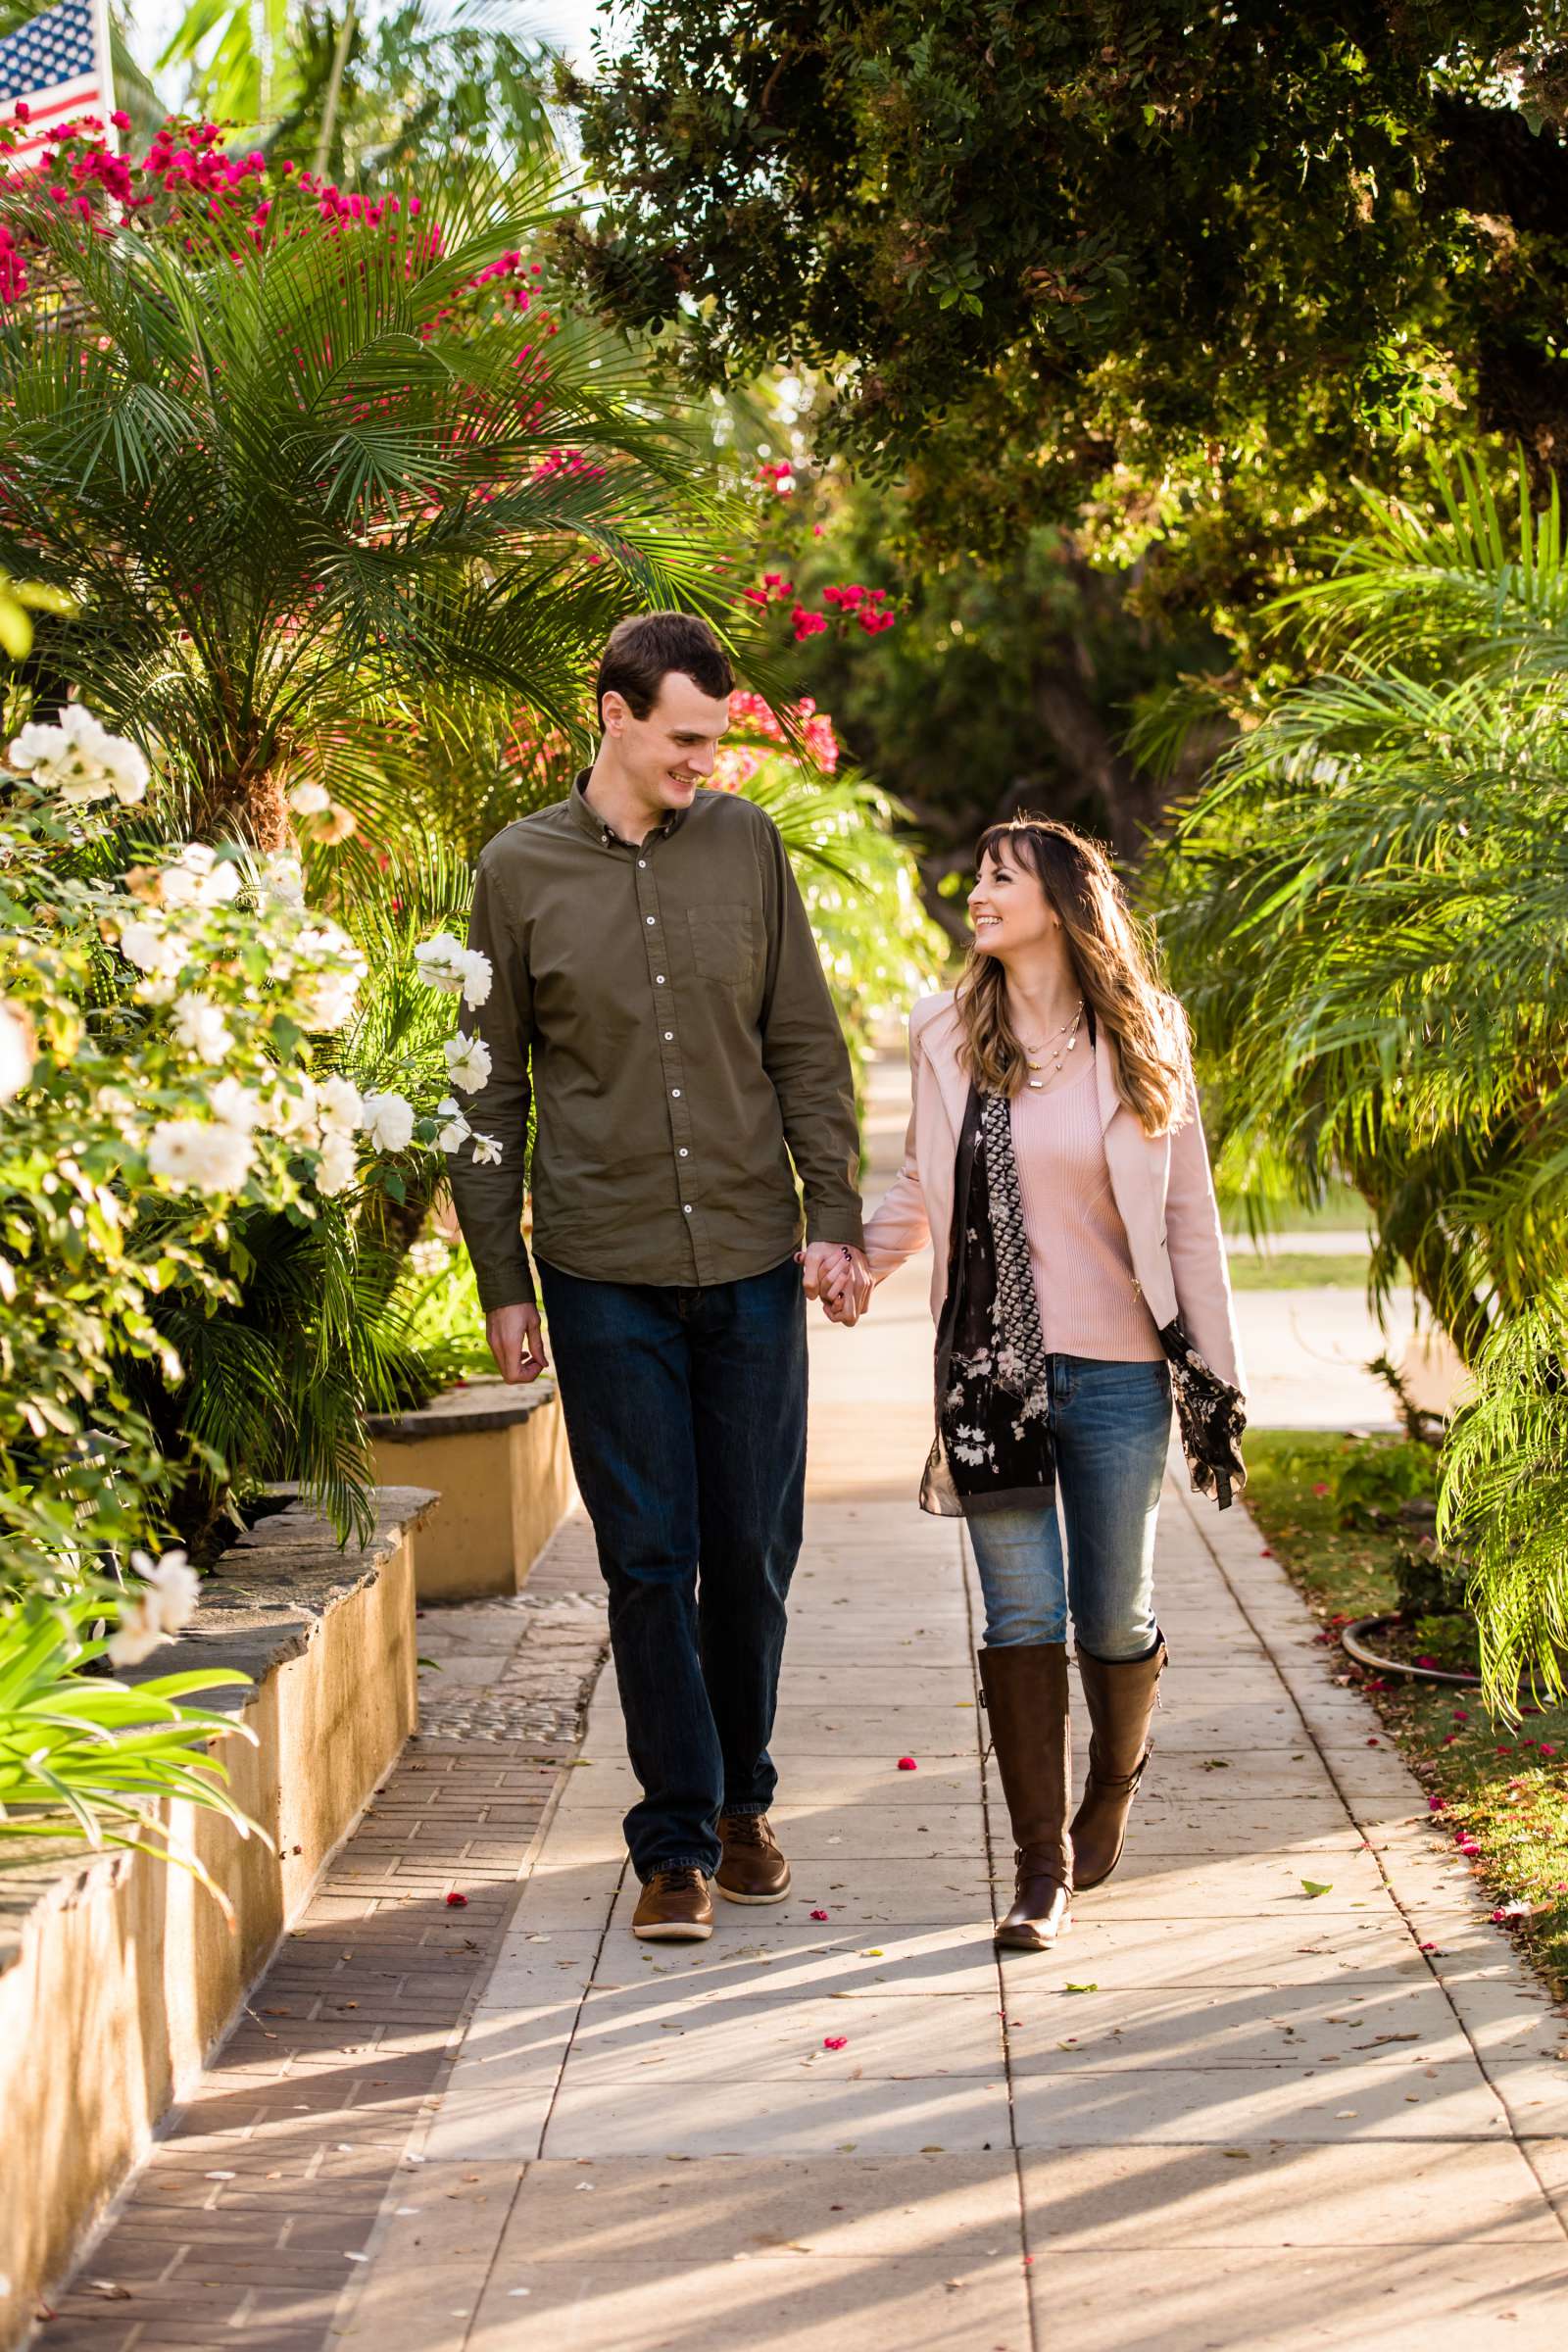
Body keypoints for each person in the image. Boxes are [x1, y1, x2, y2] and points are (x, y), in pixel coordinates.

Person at [449, 612, 873, 1944]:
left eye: (717, 739)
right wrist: (501, 1279)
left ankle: (747, 1797)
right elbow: (485, 1090)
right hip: (599, 1266)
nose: (706, 761)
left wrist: (836, 1215)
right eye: (687, 738)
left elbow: (804, 1040)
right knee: (648, 1557)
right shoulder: (516, 872)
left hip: (749, 1253)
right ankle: (677, 1839)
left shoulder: (747, 845)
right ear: (615, 713)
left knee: (750, 1551)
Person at [824, 817, 1245, 1952]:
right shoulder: (946, 1033)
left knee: (1112, 1615)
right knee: (1022, 1615)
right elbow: (920, 1181)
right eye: (976, 877)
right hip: (988, 1370)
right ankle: (1038, 1868)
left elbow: (1187, 1220)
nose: (977, 893)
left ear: (1060, 903)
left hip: (1119, 1372)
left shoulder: (1144, 1035)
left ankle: (1112, 1779)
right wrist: (859, 1259)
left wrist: (1215, 1377)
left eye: (1001, 879)